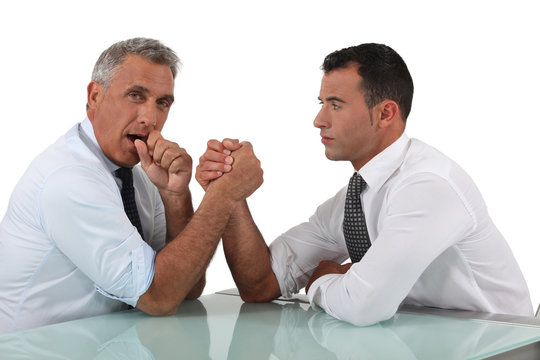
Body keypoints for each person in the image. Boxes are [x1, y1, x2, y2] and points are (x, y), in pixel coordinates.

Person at [196, 43, 533, 326]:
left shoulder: (428, 185)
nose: (319, 120)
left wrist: (321, 281)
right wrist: (231, 194)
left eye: (336, 105)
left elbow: (363, 305)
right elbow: (261, 283)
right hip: (422, 340)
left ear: (386, 113)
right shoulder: (357, 197)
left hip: (502, 344)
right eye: (321, 103)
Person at [0, 37, 263, 333]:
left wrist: (175, 194)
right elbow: (158, 298)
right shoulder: (70, 179)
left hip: (107, 344)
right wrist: (223, 195)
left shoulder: (136, 174)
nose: (150, 119)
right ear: (95, 96)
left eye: (162, 103)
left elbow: (184, 287)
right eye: (136, 95)